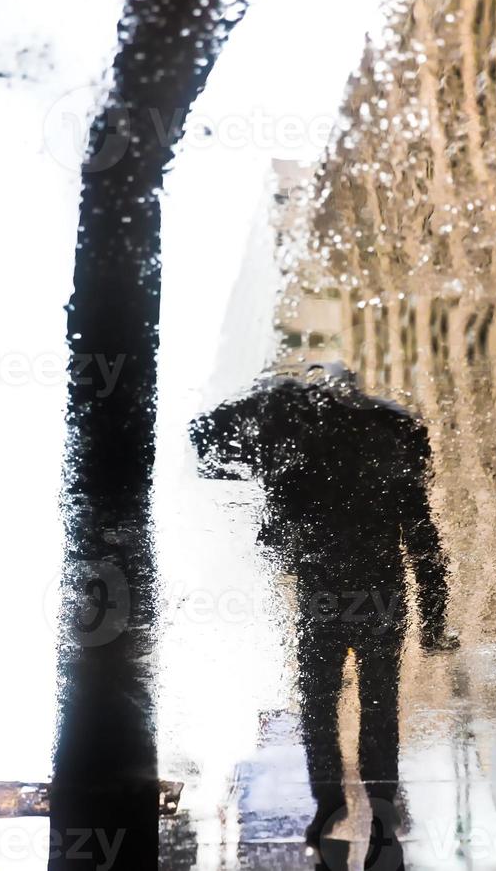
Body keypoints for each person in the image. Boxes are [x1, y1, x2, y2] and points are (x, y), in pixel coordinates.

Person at [190, 365, 454, 868]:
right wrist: (435, 623)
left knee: (318, 705)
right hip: (381, 600)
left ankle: (328, 805)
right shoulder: (391, 455)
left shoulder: (302, 461)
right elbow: (426, 547)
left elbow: (272, 542)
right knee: (379, 705)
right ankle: (378, 807)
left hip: (323, 604)